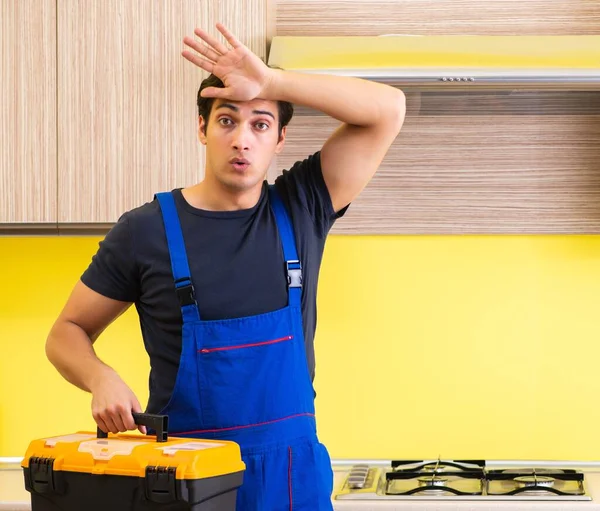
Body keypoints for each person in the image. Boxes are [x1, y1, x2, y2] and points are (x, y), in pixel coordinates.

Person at [45, 23, 405, 510]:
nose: (242, 140)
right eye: (227, 120)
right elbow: (66, 330)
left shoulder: (303, 207)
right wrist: (99, 376)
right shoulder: (145, 231)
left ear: (280, 139)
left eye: (260, 124)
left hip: (291, 481)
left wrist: (271, 83)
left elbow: (388, 110)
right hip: (187, 482)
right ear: (202, 128)